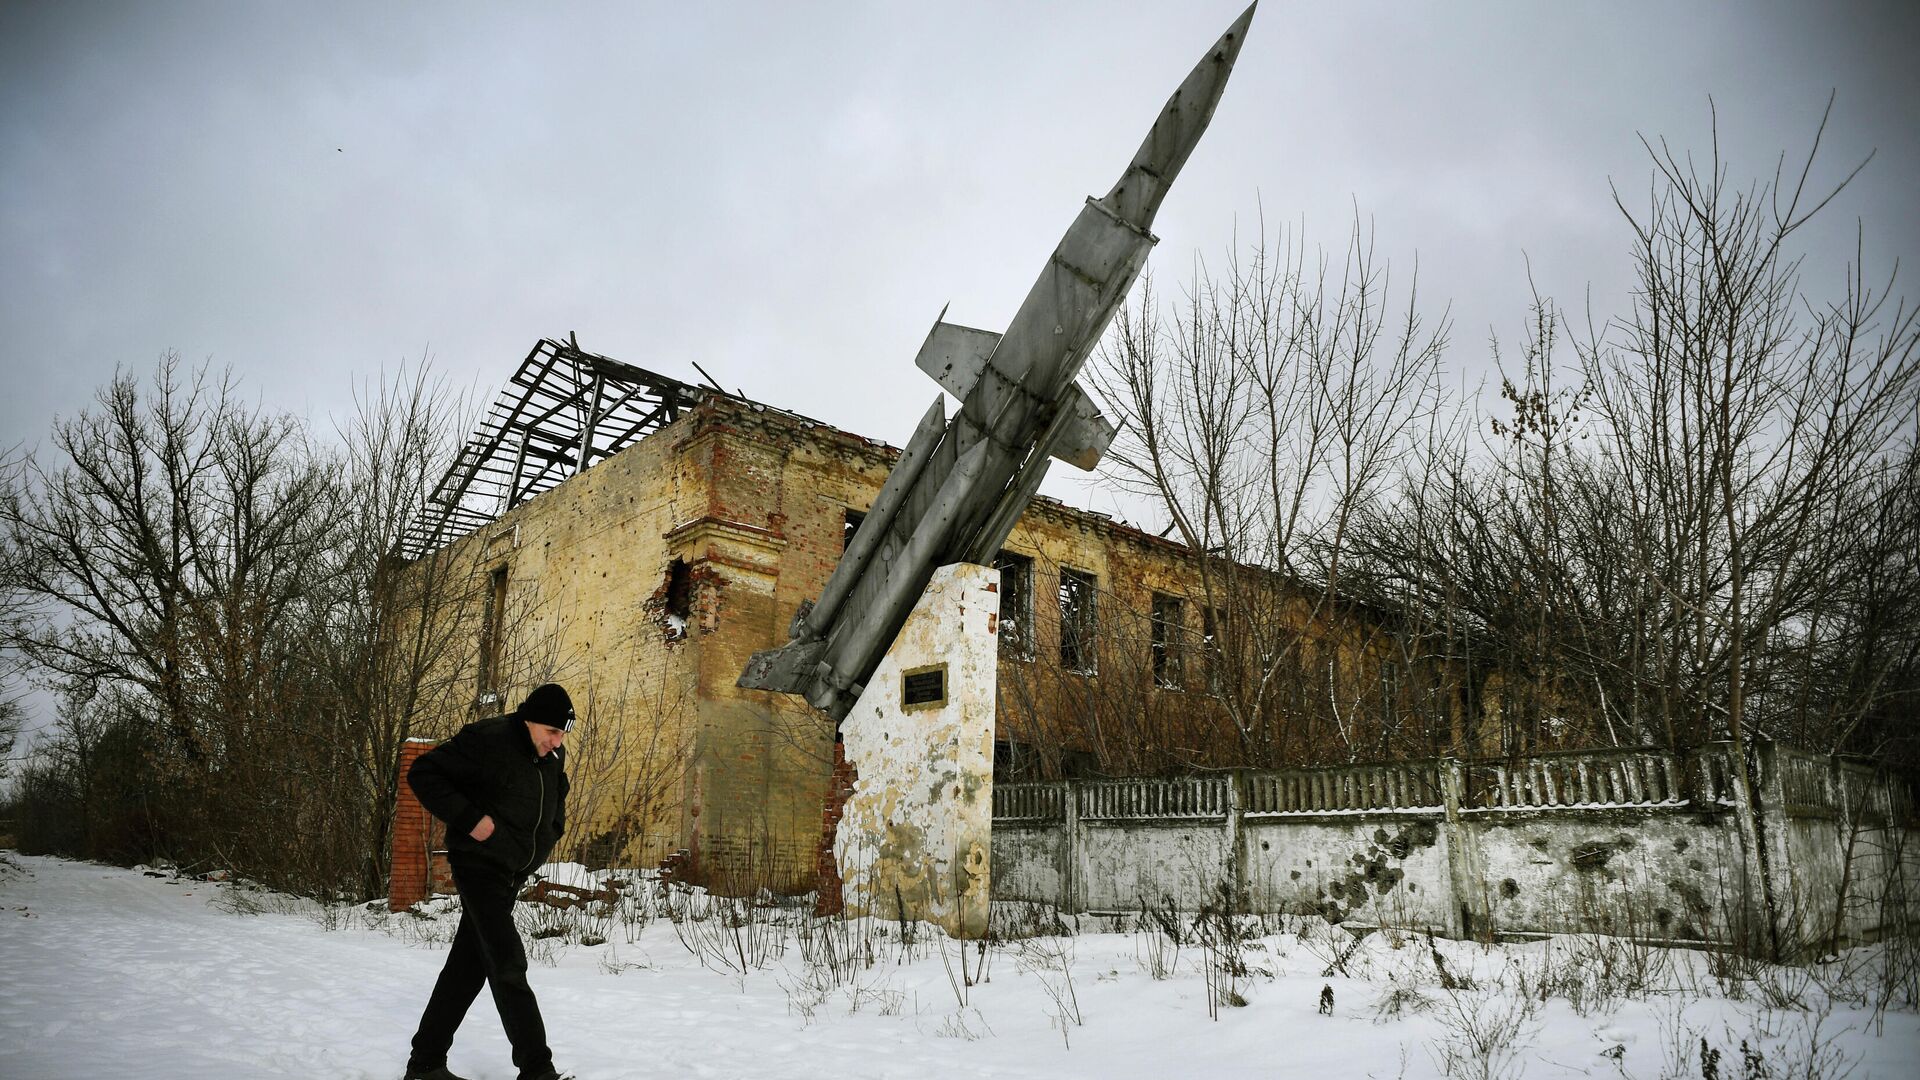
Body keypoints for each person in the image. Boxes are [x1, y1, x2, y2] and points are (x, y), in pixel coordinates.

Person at [402, 683, 575, 1080]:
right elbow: (424, 773)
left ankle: (425, 1063)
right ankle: (537, 1070)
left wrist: (553, 830)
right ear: (530, 719)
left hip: (512, 871)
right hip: (479, 865)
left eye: (563, 733)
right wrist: (472, 822)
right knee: (507, 962)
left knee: (467, 968)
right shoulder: (488, 739)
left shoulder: (552, 752)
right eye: (552, 731)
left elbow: (553, 798)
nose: (558, 741)